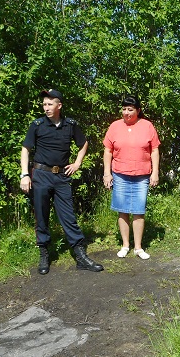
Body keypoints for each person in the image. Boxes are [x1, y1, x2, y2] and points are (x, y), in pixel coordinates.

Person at [20, 89, 103, 274]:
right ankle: (44, 254)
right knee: (41, 216)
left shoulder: (70, 125)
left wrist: (77, 163)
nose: (46, 108)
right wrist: (24, 175)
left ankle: (80, 256)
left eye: (49, 104)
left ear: (59, 105)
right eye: (44, 104)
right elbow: (25, 149)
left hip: (62, 177)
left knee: (68, 217)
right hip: (40, 175)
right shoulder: (37, 125)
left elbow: (84, 144)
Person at [103, 95, 160, 259]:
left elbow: (154, 150)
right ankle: (125, 245)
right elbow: (108, 151)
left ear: (138, 110)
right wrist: (107, 173)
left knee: (138, 210)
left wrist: (155, 172)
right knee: (122, 210)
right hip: (120, 174)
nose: (126, 112)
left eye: (130, 109)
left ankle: (138, 247)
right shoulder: (114, 126)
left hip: (141, 175)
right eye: (124, 109)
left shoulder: (147, 126)